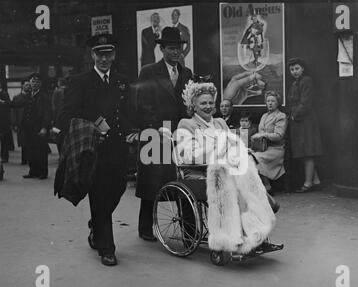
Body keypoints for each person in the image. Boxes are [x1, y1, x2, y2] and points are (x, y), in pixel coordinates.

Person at [57, 34, 137, 266]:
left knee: (118, 188)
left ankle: (96, 225)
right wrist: (94, 122)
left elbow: (128, 112)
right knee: (100, 196)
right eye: (99, 54)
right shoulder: (79, 81)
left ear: (114, 55)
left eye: (108, 54)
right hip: (94, 150)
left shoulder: (121, 81)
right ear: (92, 55)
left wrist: (141, 128)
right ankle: (107, 249)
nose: (104, 59)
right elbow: (65, 115)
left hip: (118, 148)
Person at [175, 80, 277, 254]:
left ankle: (255, 234)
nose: (208, 107)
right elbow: (189, 155)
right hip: (199, 171)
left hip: (226, 167)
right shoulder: (187, 124)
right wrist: (218, 151)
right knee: (233, 185)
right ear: (194, 105)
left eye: (210, 103)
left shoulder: (220, 123)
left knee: (246, 177)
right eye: (203, 103)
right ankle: (230, 238)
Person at [135, 27, 192, 242]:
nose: (176, 52)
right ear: (162, 49)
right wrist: (157, 126)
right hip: (155, 133)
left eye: (179, 48)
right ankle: (145, 227)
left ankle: (189, 231)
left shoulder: (187, 73)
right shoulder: (148, 71)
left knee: (184, 179)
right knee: (153, 181)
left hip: (180, 133)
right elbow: (142, 104)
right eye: (171, 48)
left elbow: (188, 104)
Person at [287, 57, 322, 192]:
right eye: (292, 69)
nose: (294, 71)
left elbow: (306, 102)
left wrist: (294, 115)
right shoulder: (295, 83)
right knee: (303, 151)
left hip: (306, 120)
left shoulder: (306, 81)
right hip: (298, 121)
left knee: (307, 151)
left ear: (302, 69)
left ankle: (308, 183)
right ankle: (316, 180)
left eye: (296, 68)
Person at [252, 91, 287, 194]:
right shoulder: (264, 116)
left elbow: (279, 135)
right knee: (249, 156)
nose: (270, 103)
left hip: (276, 149)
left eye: (273, 101)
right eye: (268, 101)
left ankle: (267, 186)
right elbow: (260, 133)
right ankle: (263, 185)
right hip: (263, 147)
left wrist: (263, 135)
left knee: (256, 158)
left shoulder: (281, 116)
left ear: (278, 103)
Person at [21, 73, 51, 179]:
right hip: (29, 128)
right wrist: (4, 103)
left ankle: (43, 172)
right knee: (31, 150)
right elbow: (19, 104)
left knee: (41, 150)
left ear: (40, 84)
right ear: (30, 83)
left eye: (37, 82)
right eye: (33, 81)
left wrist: (44, 128)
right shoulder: (29, 95)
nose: (34, 84)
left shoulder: (44, 96)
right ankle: (33, 171)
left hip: (39, 127)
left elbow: (47, 114)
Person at [11, 80, 31, 164]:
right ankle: (24, 159)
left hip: (30, 122)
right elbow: (14, 111)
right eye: (26, 85)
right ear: (22, 86)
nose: (28, 86)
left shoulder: (31, 97)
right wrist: (14, 123)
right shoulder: (17, 97)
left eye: (29, 85)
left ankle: (30, 159)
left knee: (30, 141)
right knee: (23, 142)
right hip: (20, 122)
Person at [0, 82, 11, 163]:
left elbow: (7, 108)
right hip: (3, 120)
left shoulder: (4, 94)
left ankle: (5, 157)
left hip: (3, 121)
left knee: (4, 140)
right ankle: (4, 156)